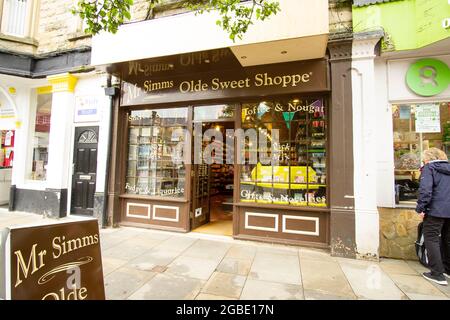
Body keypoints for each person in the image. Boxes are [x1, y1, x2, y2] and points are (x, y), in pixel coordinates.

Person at [416, 147, 450, 286]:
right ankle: (447, 268)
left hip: (435, 210)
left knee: (431, 239)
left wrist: (420, 208)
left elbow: (425, 191)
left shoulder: (429, 168)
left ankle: (437, 274)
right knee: (448, 239)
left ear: (428, 158)